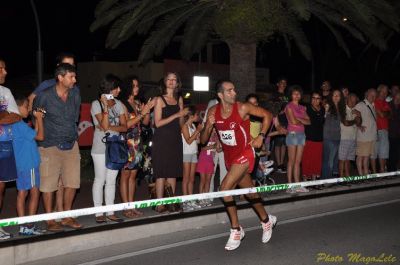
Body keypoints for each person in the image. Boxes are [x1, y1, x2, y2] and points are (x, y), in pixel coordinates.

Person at [201, 80, 276, 251]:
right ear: (220, 95)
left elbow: (268, 116)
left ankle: (236, 229)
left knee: (225, 188)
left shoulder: (242, 107)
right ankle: (266, 220)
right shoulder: (213, 111)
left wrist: (261, 136)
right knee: (249, 192)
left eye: (234, 90)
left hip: (246, 153)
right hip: (230, 158)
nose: (234, 93)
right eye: (229, 91)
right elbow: (203, 140)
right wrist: (209, 126)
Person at [33, 63, 82, 232]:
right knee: (48, 185)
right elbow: (36, 118)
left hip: (71, 145)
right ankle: (50, 220)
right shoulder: (44, 96)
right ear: (60, 78)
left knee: (73, 183)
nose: (74, 80)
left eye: (75, 76)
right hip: (49, 146)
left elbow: (75, 118)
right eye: (71, 76)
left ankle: (67, 216)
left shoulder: (75, 94)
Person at [90, 74, 128, 223]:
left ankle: (110, 211)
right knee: (100, 179)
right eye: (116, 87)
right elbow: (104, 126)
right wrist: (105, 108)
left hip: (116, 145)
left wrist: (109, 127)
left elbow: (124, 127)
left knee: (112, 180)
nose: (119, 90)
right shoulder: (96, 104)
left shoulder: (119, 104)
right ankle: (99, 212)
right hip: (100, 146)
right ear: (109, 88)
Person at [152, 72, 188, 213]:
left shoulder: (179, 99)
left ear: (177, 83)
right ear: (165, 81)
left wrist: (185, 118)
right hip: (161, 139)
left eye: (174, 79)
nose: (172, 82)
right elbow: (157, 123)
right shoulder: (159, 99)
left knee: (173, 172)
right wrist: (177, 115)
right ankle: (159, 203)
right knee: (161, 172)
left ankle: (171, 201)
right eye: (169, 79)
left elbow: (180, 123)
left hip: (175, 139)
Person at [119, 76, 153, 218]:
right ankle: (126, 208)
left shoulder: (138, 102)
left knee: (133, 175)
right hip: (127, 143)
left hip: (138, 143)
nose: (137, 88)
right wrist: (141, 113)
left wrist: (147, 111)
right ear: (128, 87)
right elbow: (126, 124)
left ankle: (131, 206)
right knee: (125, 175)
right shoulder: (122, 104)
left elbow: (144, 123)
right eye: (134, 86)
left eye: (138, 85)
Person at [13, 93, 45, 235]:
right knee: (34, 192)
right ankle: (29, 226)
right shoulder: (20, 125)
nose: (28, 109)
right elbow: (41, 137)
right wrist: (39, 119)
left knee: (22, 193)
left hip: (20, 165)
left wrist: (38, 120)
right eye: (26, 107)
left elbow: (34, 135)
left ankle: (23, 226)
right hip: (29, 164)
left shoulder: (15, 125)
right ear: (18, 108)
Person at [0, 58, 21, 240]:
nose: (5, 72)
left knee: (0, 188)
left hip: (4, 146)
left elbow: (16, 116)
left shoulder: (5, 91)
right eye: (1, 69)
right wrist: (3, 114)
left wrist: (3, 116)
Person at [284, 85, 310, 193]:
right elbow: (293, 122)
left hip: (301, 134)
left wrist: (298, 119)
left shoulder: (303, 107)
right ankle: (290, 186)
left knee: (298, 162)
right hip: (293, 134)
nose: (296, 95)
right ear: (291, 95)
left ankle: (297, 185)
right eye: (294, 93)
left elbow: (309, 122)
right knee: (291, 160)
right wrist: (301, 120)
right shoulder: (289, 106)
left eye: (298, 94)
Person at [181, 105, 202, 211]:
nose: (198, 117)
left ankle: (191, 199)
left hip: (194, 153)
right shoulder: (184, 126)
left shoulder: (193, 126)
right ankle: (185, 201)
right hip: (186, 154)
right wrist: (197, 131)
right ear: (191, 115)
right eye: (197, 114)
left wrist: (198, 135)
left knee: (192, 179)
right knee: (186, 178)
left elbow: (197, 141)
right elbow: (188, 141)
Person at [302, 92, 325, 184]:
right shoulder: (306, 108)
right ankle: (305, 179)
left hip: (319, 138)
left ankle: (314, 179)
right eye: (313, 98)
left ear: (320, 100)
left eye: (318, 98)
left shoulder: (323, 109)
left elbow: (322, 122)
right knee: (307, 158)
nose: (315, 100)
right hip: (309, 137)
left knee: (317, 159)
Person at [354, 89, 377, 176]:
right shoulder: (361, 104)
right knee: (360, 156)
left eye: (375, 96)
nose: (373, 97)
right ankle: (361, 175)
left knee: (367, 157)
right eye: (371, 95)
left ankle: (366, 173)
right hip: (363, 136)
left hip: (371, 136)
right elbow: (354, 114)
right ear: (367, 95)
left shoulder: (372, 105)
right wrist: (359, 126)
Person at [338, 93, 362, 178]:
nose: (353, 102)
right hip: (344, 138)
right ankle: (341, 177)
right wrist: (355, 121)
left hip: (353, 138)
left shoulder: (355, 110)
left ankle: (347, 176)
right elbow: (346, 123)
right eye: (352, 100)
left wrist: (359, 115)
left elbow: (359, 122)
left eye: (355, 101)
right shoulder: (343, 109)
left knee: (348, 159)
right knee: (342, 159)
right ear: (348, 99)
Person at [370, 84, 391, 173]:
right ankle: (374, 173)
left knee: (383, 152)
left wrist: (385, 113)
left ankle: (382, 171)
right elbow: (383, 114)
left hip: (385, 130)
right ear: (379, 91)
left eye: (386, 92)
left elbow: (390, 115)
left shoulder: (386, 102)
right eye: (383, 91)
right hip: (375, 130)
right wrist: (385, 113)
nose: (385, 94)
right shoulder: (375, 101)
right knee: (374, 153)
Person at [271, 77, 288, 173]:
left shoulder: (287, 96)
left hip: (286, 121)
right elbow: (272, 107)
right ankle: (278, 164)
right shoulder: (274, 95)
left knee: (284, 143)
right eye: (282, 82)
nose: (283, 84)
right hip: (278, 120)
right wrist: (279, 112)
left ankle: (282, 164)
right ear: (278, 84)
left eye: (285, 82)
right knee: (278, 142)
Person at [388, 91, 400, 171]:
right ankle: (391, 170)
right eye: (398, 96)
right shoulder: (389, 104)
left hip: (398, 132)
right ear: (394, 96)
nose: (398, 98)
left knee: (398, 152)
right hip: (390, 132)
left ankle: (396, 168)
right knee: (392, 152)